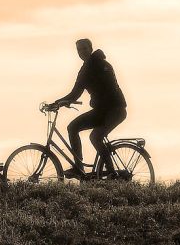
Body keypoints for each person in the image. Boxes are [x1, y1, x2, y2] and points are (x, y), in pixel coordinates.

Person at [49, 38, 127, 179]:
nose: (81, 52)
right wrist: (59, 102)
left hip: (115, 110)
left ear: (91, 48)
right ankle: (79, 168)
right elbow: (76, 93)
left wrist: (59, 102)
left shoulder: (97, 66)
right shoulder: (90, 66)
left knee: (95, 137)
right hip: (102, 110)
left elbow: (78, 93)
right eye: (79, 49)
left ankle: (111, 173)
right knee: (73, 127)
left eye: (84, 48)